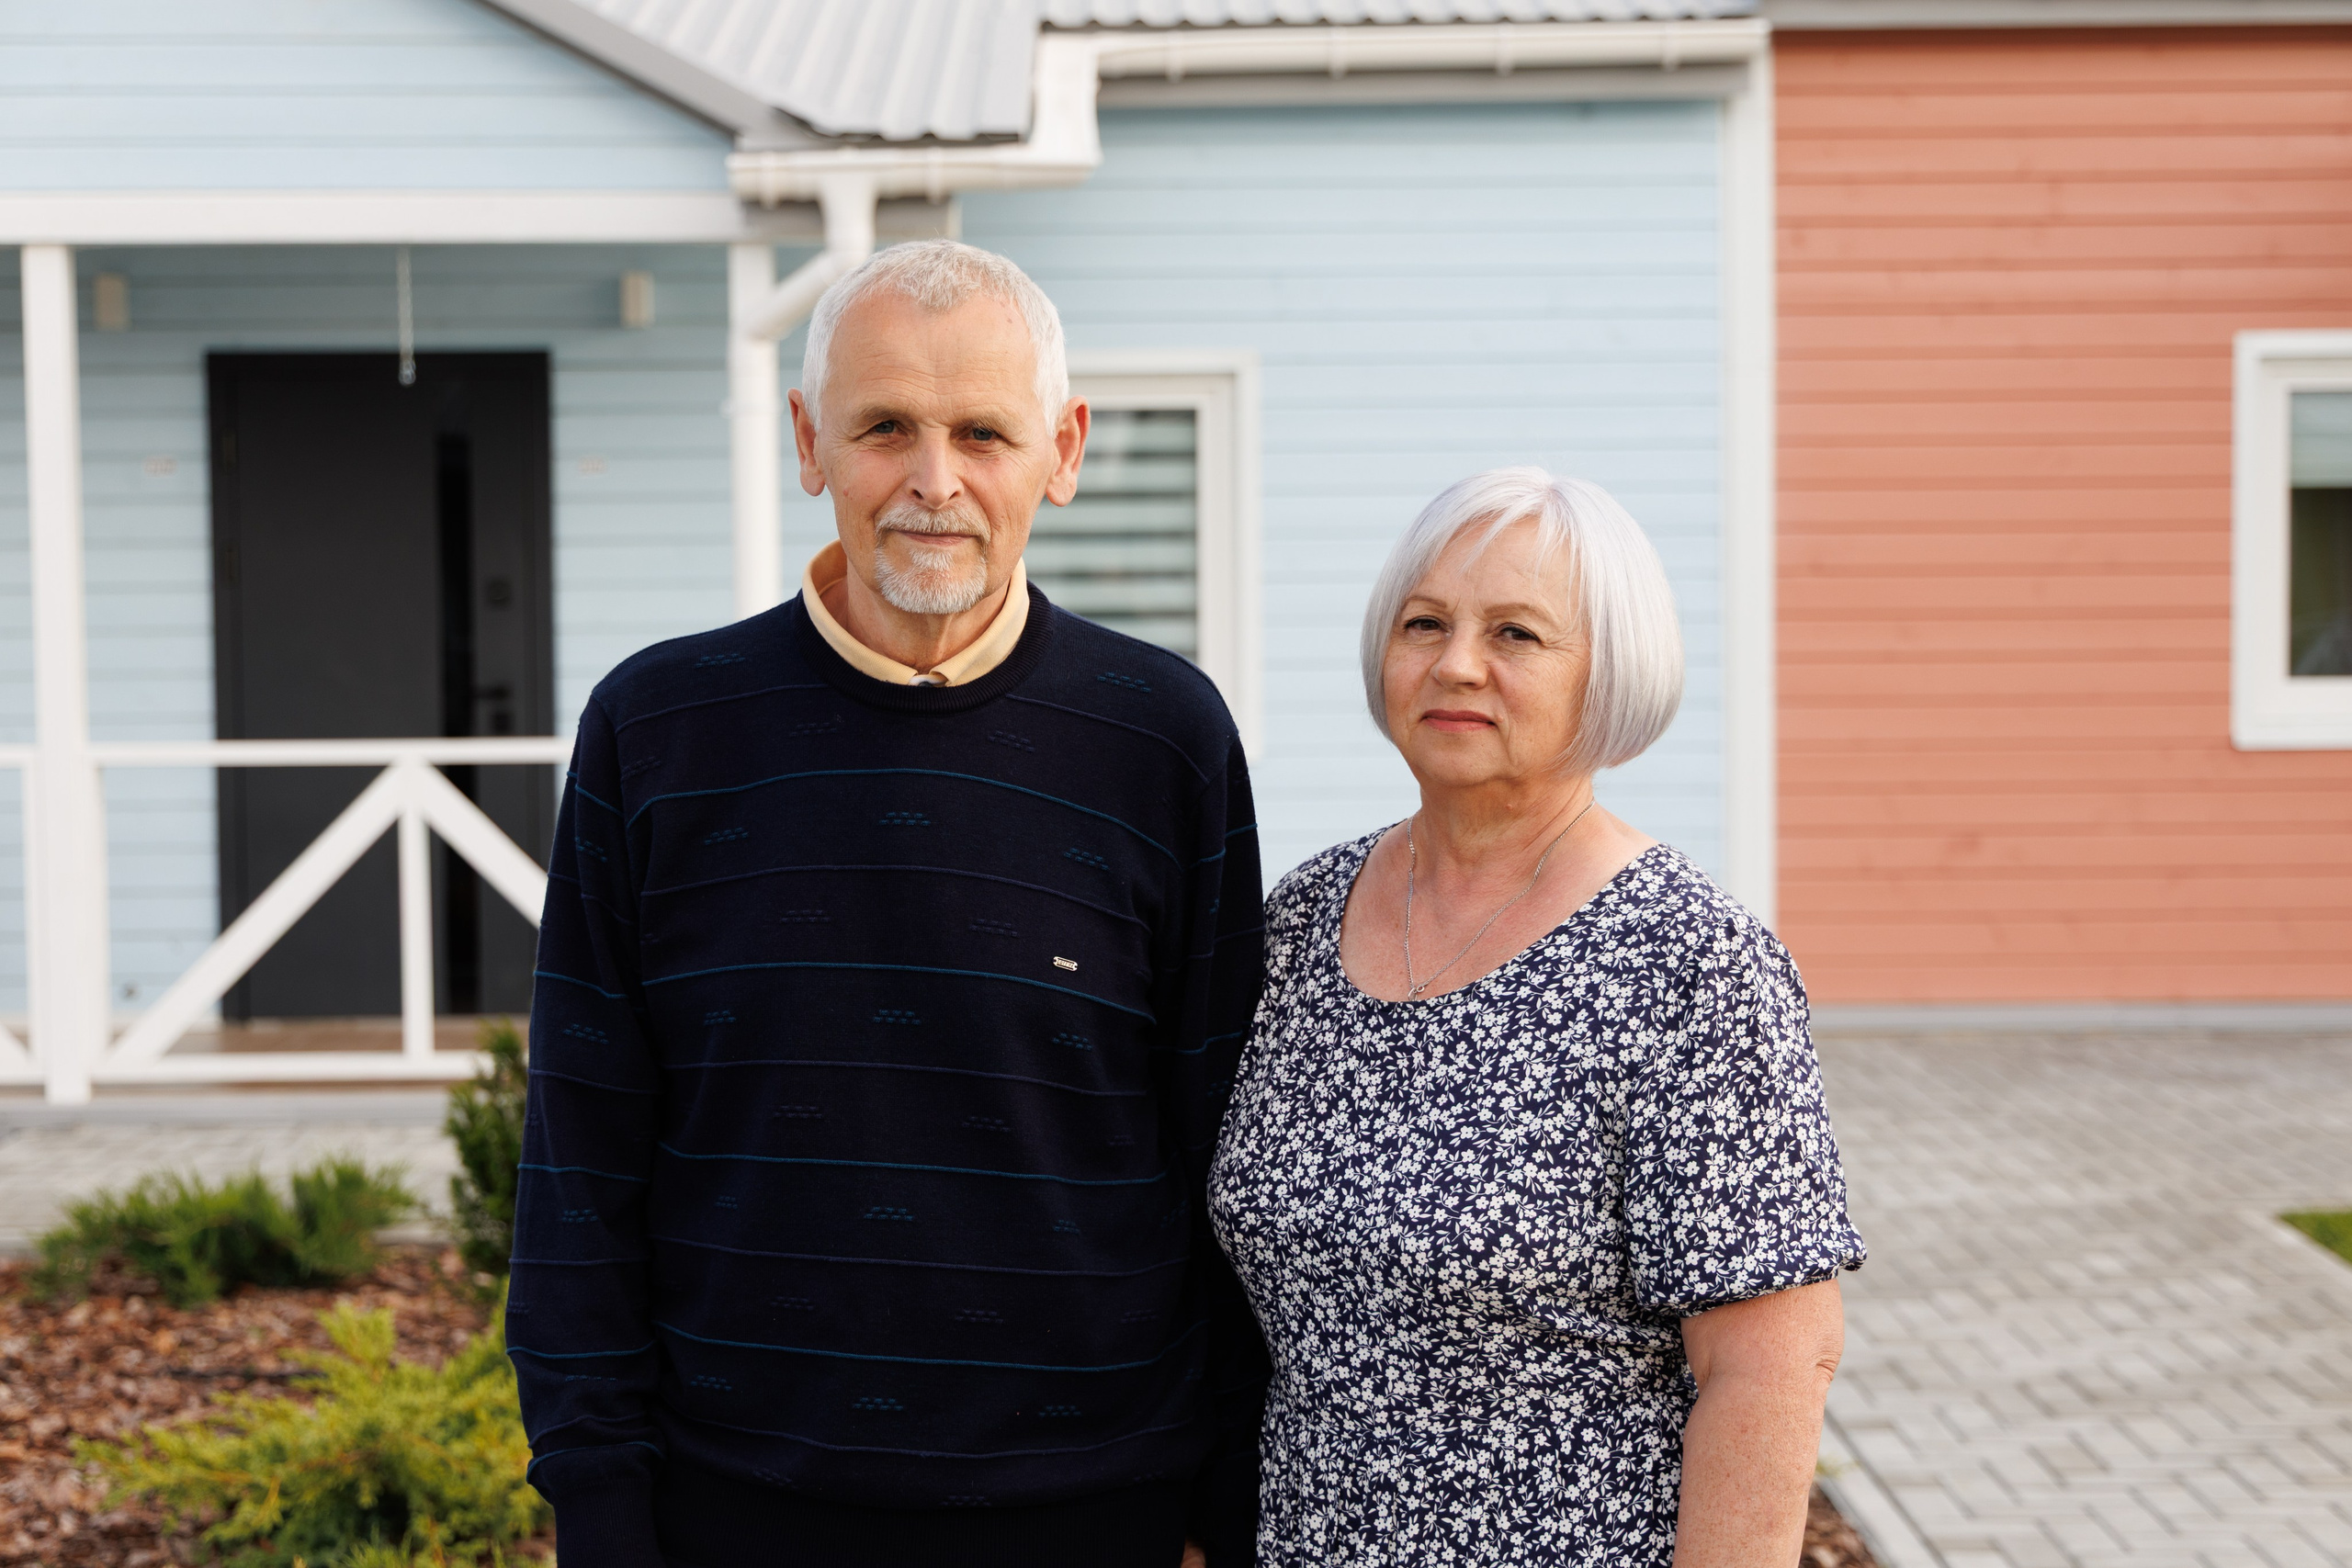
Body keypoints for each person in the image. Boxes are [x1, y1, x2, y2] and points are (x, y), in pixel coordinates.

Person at [510, 241, 1269, 1568]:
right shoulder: (658, 730)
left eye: (984, 430)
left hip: (1099, 1511)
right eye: (885, 428)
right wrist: (602, 1508)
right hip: (732, 1510)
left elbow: (1221, 1161)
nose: (936, 480)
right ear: (811, 441)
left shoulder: (1164, 739)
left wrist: (1228, 1508)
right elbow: (581, 1155)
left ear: (1065, 448)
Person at [1208, 467, 1865, 1566]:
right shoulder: (1296, 924)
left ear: (1607, 672)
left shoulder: (1687, 963)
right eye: (1425, 623)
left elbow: (1767, 1365)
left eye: (1516, 633)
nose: (1456, 663)